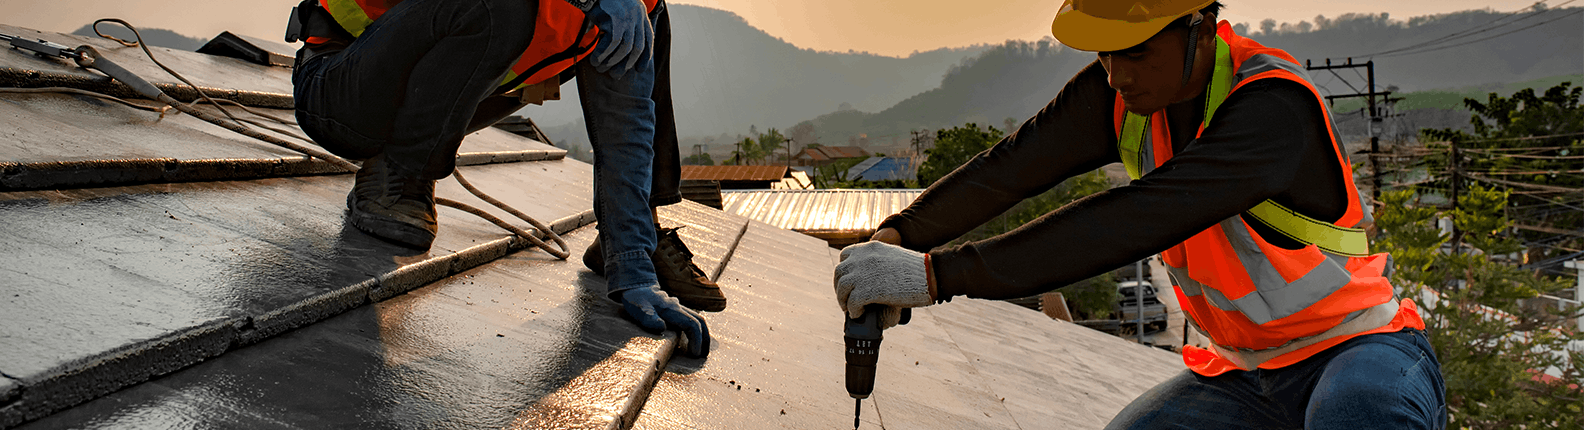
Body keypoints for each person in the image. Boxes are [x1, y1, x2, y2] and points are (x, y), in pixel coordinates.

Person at [832, 1, 1446, 427]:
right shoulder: (1121, 96)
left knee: (1357, 416)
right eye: (1105, 54)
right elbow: (1010, 169)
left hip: (1355, 348)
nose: (1116, 73)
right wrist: (897, 235)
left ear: (1201, 28)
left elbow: (1137, 218)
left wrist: (934, 276)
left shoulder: (1273, 107)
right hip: (1243, 371)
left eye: (1137, 51)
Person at [287, 0, 722, 357]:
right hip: (341, 85)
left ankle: (634, 236)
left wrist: (633, 267)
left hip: (441, 95)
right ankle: (403, 168)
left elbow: (626, 123)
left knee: (636, 25)